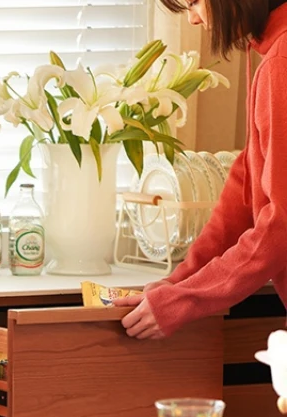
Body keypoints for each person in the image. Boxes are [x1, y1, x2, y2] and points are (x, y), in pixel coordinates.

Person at [113, 0, 287, 346]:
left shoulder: (281, 63)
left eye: (194, 2)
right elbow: (247, 181)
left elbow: (281, 223)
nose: (193, 19)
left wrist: (185, 298)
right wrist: (180, 282)